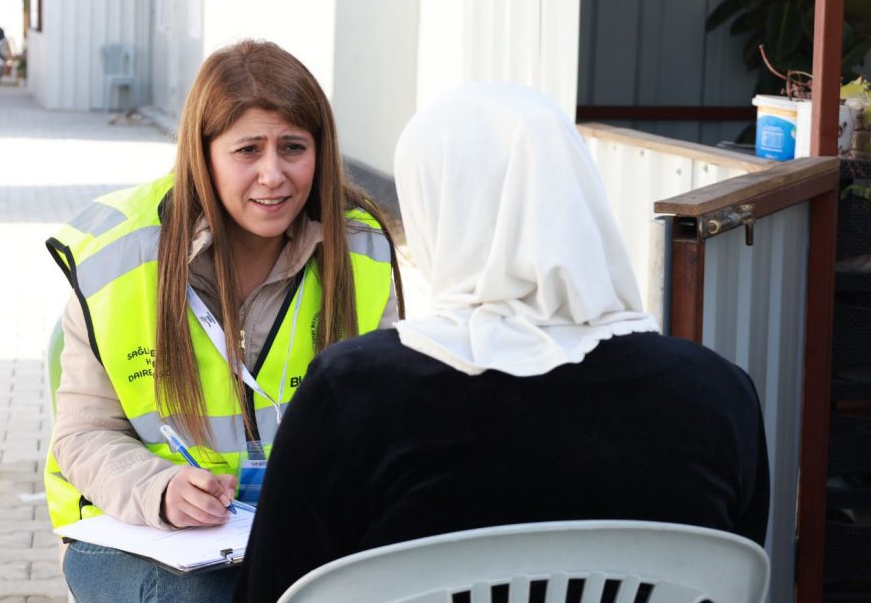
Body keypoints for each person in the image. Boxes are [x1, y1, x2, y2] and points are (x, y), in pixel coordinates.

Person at [233, 82, 771, 603]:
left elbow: (272, 589)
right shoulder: (721, 395)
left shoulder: (350, 394)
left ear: (434, 209)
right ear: (579, 193)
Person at [44, 40, 403, 603]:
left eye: (292, 147)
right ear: (202, 155)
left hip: (297, 530)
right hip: (135, 530)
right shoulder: (117, 255)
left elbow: (385, 424)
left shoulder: (360, 250)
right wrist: (159, 489)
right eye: (247, 150)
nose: (273, 175)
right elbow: (83, 434)